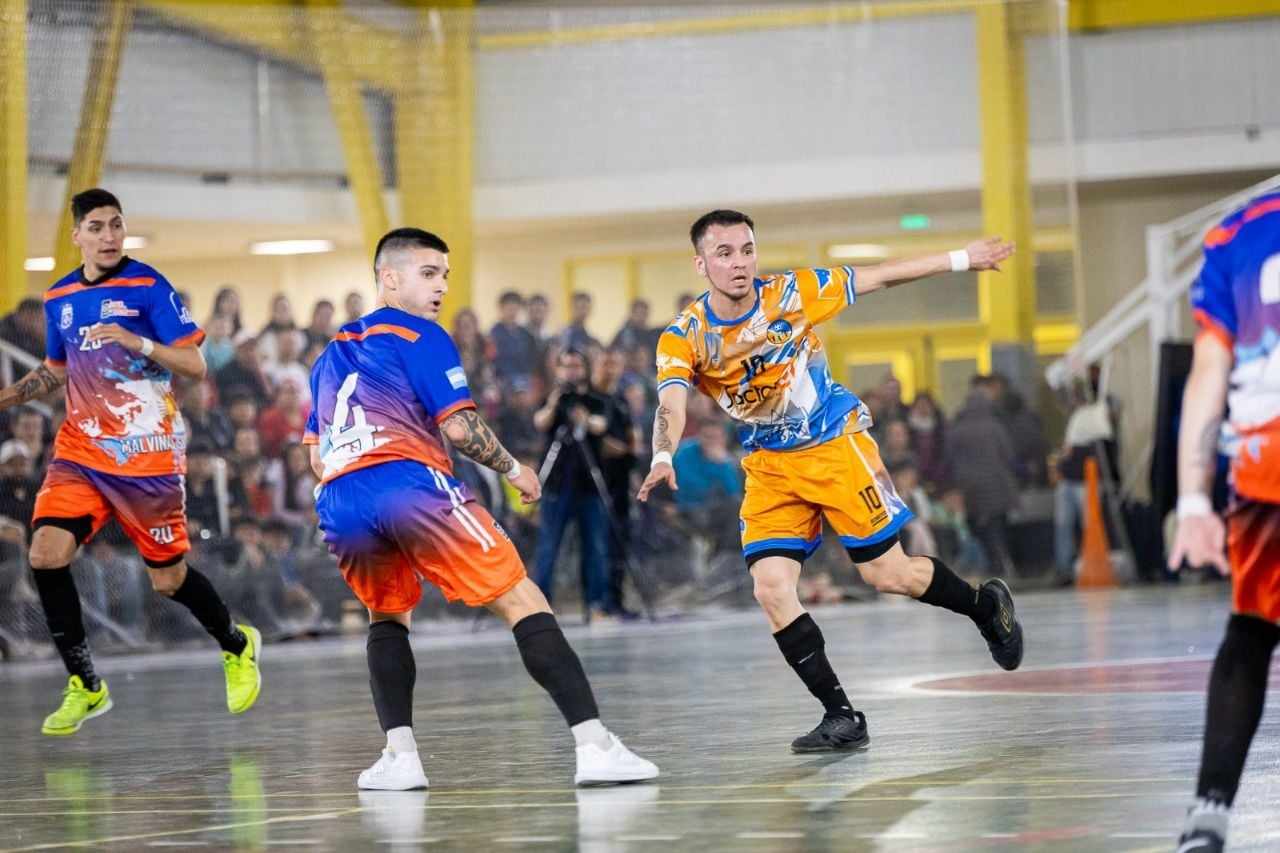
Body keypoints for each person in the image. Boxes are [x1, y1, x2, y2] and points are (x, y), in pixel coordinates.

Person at [638, 209, 1022, 753]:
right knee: (771, 589)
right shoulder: (684, 337)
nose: (740, 262)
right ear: (702, 265)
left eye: (747, 249)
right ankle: (841, 716)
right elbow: (671, 402)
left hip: (836, 446)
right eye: (724, 253)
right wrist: (662, 455)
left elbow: (882, 276)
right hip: (770, 465)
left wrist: (963, 258)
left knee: (889, 575)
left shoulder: (793, 292)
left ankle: (985, 607)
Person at [306, 227, 656, 790]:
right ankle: (595, 746)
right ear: (388, 278)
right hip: (410, 483)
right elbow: (458, 427)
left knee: (387, 616)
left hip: (342, 497)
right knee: (521, 596)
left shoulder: (330, 354)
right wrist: (515, 468)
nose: (441, 286)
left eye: (444, 274)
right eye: (428, 273)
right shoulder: (421, 334)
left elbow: (313, 454)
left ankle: (400, 759)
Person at [0, 188, 261, 736]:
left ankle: (237, 645)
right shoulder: (60, 297)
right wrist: (6, 397)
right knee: (45, 554)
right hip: (82, 451)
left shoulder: (148, 285)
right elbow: (56, 368)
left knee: (167, 580)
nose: (110, 235)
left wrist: (136, 342)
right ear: (77, 235)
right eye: (97, 226)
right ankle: (86, 685)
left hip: (149, 455)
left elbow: (193, 364)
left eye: (116, 224)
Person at [1168, 190, 1280, 853]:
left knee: (1252, 629)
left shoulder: (1235, 232)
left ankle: (1208, 816)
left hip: (1268, 466)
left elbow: (1208, 374)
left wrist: (1192, 500)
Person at [530, 349, 612, 617]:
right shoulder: (553, 399)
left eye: (576, 366)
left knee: (595, 547)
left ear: (584, 369)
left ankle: (595, 605)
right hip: (555, 484)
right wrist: (554, 403)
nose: (571, 371)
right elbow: (540, 422)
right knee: (548, 545)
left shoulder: (595, 399)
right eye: (565, 366)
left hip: (589, 483)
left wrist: (583, 419)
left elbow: (601, 425)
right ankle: (541, 605)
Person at [947, 389, 1019, 578]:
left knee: (978, 528)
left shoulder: (958, 429)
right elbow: (1009, 455)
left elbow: (949, 459)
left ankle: (989, 564)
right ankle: (1001, 564)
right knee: (997, 527)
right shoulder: (996, 427)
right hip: (998, 487)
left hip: (971, 490)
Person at [490, 291, 538, 386]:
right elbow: (492, 362)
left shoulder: (526, 334)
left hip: (524, 380)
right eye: (509, 308)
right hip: (502, 381)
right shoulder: (493, 334)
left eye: (515, 308)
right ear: (501, 308)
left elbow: (531, 360)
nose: (512, 312)